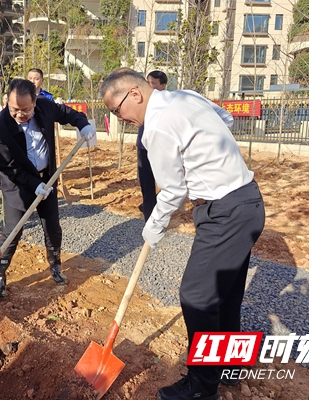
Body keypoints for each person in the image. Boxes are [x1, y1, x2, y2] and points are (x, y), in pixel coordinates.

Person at [99, 68, 265, 400]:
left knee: (197, 297)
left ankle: (202, 388)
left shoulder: (157, 126)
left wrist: (153, 227)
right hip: (247, 201)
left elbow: (173, 190)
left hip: (225, 212)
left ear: (134, 94)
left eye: (116, 110)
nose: (118, 119)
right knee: (226, 295)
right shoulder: (185, 96)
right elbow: (224, 119)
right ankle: (230, 368)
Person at [0, 79, 96, 299]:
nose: (19, 115)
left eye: (26, 110)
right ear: (7, 101)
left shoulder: (46, 105)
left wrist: (82, 124)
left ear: (35, 102)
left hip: (47, 179)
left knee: (52, 227)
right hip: (18, 186)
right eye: (14, 109)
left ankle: (55, 265)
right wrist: (34, 184)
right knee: (12, 231)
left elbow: (68, 113)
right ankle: (0, 275)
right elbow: (10, 169)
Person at [137, 70, 167, 221]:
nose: (149, 87)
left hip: (161, 148)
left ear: (163, 85)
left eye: (153, 84)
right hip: (143, 147)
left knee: (169, 183)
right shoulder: (141, 100)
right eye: (147, 83)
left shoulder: (167, 103)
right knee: (146, 184)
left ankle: (157, 206)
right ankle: (149, 216)